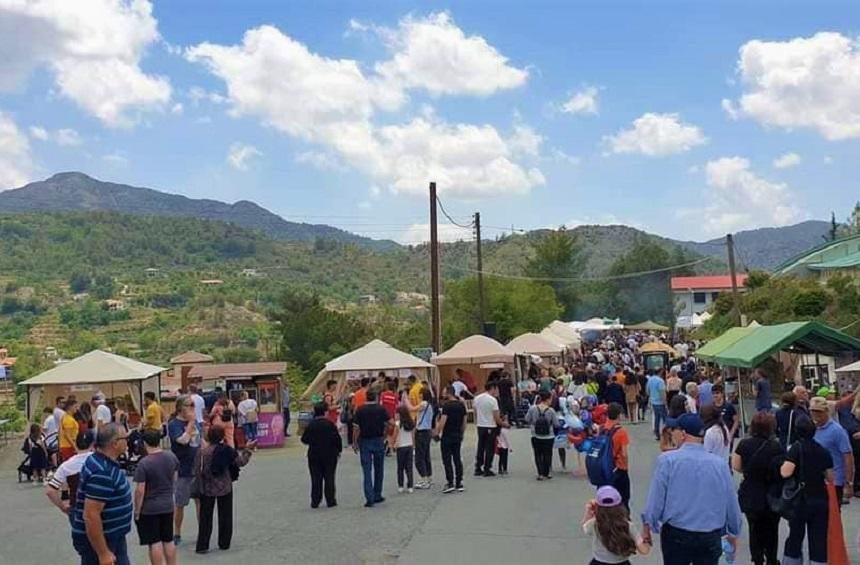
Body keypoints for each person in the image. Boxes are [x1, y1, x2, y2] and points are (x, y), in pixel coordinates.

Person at [641, 414, 743, 565]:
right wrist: (733, 530)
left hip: (677, 533)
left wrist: (648, 524)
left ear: (682, 434)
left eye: (673, 430)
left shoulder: (667, 461)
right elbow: (730, 500)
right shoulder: (719, 464)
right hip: (709, 534)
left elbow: (656, 498)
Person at [70, 423, 133, 565]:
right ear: (115, 443)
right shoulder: (102, 472)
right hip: (102, 541)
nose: (128, 442)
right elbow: (91, 516)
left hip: (113, 536)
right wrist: (103, 553)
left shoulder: (101, 461)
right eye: (125, 438)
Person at [731, 412, 784, 565]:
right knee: (772, 528)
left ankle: (757, 558)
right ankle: (772, 559)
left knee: (754, 528)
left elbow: (736, 466)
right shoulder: (776, 446)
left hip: (751, 491)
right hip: (771, 492)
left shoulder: (744, 444)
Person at [780, 416, 833, 565]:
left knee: (796, 536)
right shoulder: (823, 450)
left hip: (801, 500)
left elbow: (786, 472)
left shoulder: (796, 448)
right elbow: (830, 477)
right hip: (820, 499)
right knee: (818, 538)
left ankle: (792, 561)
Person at [194, 425, 254, 554]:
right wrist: (247, 450)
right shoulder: (227, 450)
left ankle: (203, 544)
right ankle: (224, 542)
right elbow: (240, 462)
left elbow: (197, 470)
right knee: (225, 515)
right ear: (222, 436)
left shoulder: (202, 452)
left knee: (205, 517)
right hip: (224, 485)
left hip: (207, 486)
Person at [133, 429, 179, 565]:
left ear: (145, 443)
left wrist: (137, 510)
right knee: (168, 540)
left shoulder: (144, 463)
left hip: (150, 507)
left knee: (154, 542)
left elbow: (140, 490)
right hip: (167, 504)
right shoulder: (171, 457)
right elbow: (174, 478)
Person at [582, 486, 650, 565]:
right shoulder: (627, 526)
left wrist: (589, 511)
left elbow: (585, 526)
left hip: (599, 562)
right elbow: (644, 550)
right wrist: (646, 540)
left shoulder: (595, 524)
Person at [167, 395, 200, 546]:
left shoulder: (196, 423)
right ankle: (177, 532)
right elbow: (183, 440)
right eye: (189, 405)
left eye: (193, 405)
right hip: (182, 469)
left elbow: (200, 442)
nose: (192, 408)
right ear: (181, 407)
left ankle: (202, 531)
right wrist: (191, 423)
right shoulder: (174, 424)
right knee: (180, 503)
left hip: (197, 468)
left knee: (200, 501)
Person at [352, 389, 393, 507]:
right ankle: (377, 494)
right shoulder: (381, 409)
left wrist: (355, 442)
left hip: (365, 441)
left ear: (366, 397)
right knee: (379, 468)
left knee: (367, 470)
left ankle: (369, 497)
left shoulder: (360, 410)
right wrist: (385, 434)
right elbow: (390, 422)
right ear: (376, 397)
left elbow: (356, 428)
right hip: (378, 439)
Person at [809, 396, 854, 502]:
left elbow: (848, 456)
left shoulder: (837, 431)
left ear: (826, 411)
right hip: (816, 480)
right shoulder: (811, 428)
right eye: (813, 411)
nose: (815, 414)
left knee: (832, 515)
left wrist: (849, 483)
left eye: (819, 411)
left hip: (834, 481)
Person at [300, 402, 342, 508]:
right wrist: (338, 450)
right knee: (329, 477)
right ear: (325, 412)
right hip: (330, 454)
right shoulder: (330, 424)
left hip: (314, 454)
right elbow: (337, 439)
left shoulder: (311, 425)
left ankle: (315, 500)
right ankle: (330, 500)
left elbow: (304, 439)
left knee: (315, 478)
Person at [45, 430, 95, 517]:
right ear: (93, 444)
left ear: (76, 443)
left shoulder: (66, 466)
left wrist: (62, 507)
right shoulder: (99, 461)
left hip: (77, 508)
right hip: (98, 506)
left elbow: (50, 490)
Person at [435, 385, 467, 493]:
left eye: (444, 392)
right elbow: (464, 422)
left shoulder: (447, 406)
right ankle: (459, 482)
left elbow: (443, 421)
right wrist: (461, 433)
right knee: (457, 458)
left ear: (449, 393)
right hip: (457, 435)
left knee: (447, 460)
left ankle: (450, 482)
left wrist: (437, 432)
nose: (443, 394)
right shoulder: (461, 406)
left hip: (447, 436)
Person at [473, 381, 507, 477]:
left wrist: (477, 422)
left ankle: (478, 467)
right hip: (491, 426)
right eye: (496, 389)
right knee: (490, 448)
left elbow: (475, 412)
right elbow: (496, 416)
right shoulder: (493, 400)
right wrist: (503, 424)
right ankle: (487, 468)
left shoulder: (477, 398)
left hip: (480, 425)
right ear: (493, 388)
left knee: (481, 446)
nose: (497, 391)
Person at [525, 390, 560, 480]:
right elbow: (556, 424)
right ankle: (546, 473)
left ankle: (540, 473)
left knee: (537, 454)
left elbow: (527, 419)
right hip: (549, 436)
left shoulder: (533, 408)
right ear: (548, 399)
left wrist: (534, 423)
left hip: (535, 435)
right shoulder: (551, 410)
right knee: (548, 454)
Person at [603, 403, 631, 509]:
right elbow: (624, 453)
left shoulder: (602, 429)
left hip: (605, 467)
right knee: (623, 499)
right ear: (619, 415)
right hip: (618, 468)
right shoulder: (621, 432)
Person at [412, 388, 434, 489]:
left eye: (420, 394)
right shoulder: (430, 405)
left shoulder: (424, 404)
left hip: (421, 432)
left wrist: (406, 401)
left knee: (419, 457)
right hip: (427, 432)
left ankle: (423, 479)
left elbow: (412, 409)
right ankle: (429, 477)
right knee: (426, 455)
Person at [394, 404, 415, 493]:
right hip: (409, 446)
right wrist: (413, 445)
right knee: (409, 467)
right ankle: (410, 486)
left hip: (401, 447)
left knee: (400, 467)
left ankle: (401, 485)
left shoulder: (398, 424)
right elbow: (413, 435)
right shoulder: (411, 423)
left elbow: (395, 435)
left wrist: (393, 444)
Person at [713, 385, 739, 450]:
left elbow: (736, 421)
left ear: (722, 394)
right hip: (717, 437)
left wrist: (731, 433)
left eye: (717, 393)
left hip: (729, 435)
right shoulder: (711, 407)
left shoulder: (729, 406)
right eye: (713, 393)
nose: (715, 395)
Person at [646, 371, 667, 441]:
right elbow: (662, 392)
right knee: (665, 419)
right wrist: (665, 402)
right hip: (660, 402)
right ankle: (666, 434)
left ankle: (657, 434)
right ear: (660, 373)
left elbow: (647, 391)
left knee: (657, 418)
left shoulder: (650, 380)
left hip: (653, 402)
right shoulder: (660, 381)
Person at [59, 399, 80, 463]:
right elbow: (67, 435)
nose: (77, 408)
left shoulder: (65, 417)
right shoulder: (68, 419)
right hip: (68, 446)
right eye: (75, 407)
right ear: (70, 407)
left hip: (66, 445)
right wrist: (75, 447)